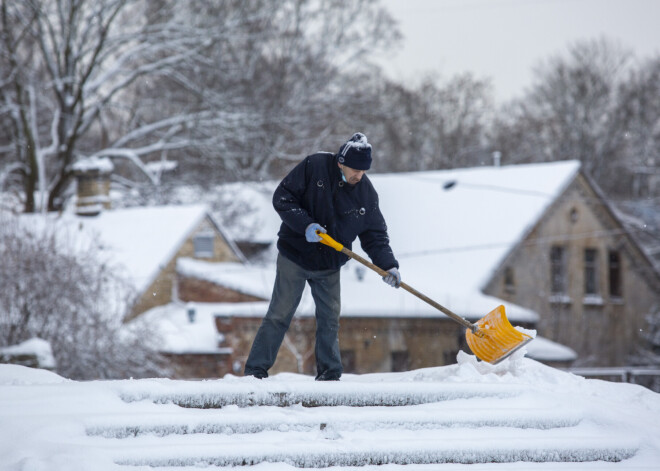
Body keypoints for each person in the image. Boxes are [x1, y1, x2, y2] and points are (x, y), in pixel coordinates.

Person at [243, 132, 401, 381]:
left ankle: (329, 374)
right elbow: (283, 198)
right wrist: (305, 225)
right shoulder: (314, 166)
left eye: (363, 171)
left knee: (329, 319)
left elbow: (375, 236)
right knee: (280, 314)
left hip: (329, 263)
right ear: (341, 161)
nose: (358, 176)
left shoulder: (366, 195)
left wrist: (388, 266)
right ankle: (255, 371)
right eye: (355, 170)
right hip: (294, 256)